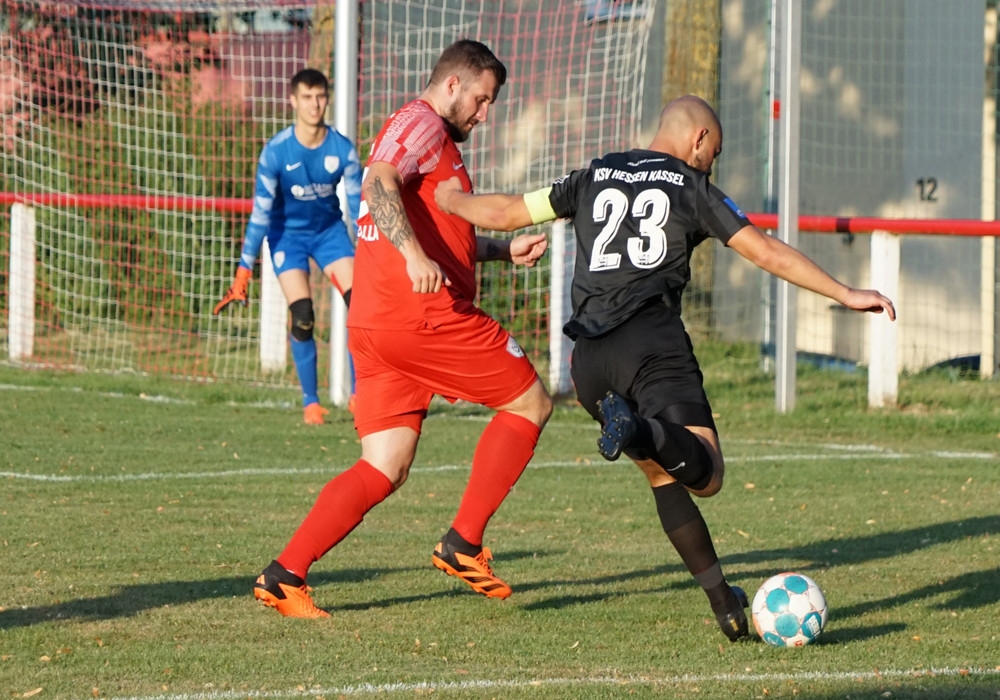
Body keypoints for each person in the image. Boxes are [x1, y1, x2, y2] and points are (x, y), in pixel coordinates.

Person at [434, 94, 897, 641]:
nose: (711, 165)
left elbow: (507, 213)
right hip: (650, 343)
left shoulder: (593, 175)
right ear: (698, 139)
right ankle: (638, 427)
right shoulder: (690, 186)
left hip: (590, 364)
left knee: (662, 471)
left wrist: (451, 198)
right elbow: (765, 251)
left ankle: (725, 604)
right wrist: (845, 293)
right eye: (713, 153)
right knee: (708, 473)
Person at [251, 39, 554, 618]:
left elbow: (437, 231)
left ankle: (284, 575)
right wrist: (414, 256)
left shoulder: (431, 141)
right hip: (422, 317)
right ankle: (464, 542)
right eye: (481, 99)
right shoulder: (423, 123)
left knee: (384, 464)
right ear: (452, 85)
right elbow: (378, 181)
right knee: (530, 402)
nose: (484, 114)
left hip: (375, 322)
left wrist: (499, 250)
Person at [214, 68, 361, 425]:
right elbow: (260, 214)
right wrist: (244, 268)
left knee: (362, 307)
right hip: (287, 238)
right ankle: (311, 403)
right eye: (307, 97)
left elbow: (359, 211)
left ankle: (361, 396)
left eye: (320, 96)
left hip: (329, 234)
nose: (315, 104)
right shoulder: (276, 152)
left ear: (328, 99)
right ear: (293, 100)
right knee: (304, 315)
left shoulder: (343, 150)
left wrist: (374, 253)